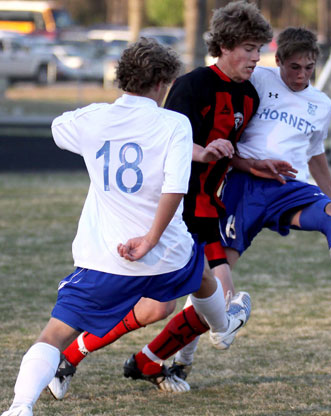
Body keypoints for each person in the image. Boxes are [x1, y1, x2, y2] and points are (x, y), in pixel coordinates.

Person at [46, 0, 292, 398]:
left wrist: (254, 164)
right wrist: (202, 151)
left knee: (167, 307)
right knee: (209, 304)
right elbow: (166, 144)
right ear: (225, 45)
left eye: (258, 48)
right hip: (175, 209)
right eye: (248, 47)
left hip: (208, 208)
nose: (255, 56)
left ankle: (147, 362)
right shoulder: (192, 86)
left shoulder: (250, 96)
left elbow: (226, 151)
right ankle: (143, 360)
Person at [1, 38, 249, 416]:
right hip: (165, 252)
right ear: (163, 82)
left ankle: (21, 406)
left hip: (107, 258)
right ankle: (222, 324)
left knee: (53, 334)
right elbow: (174, 188)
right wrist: (150, 239)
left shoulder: (93, 118)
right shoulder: (174, 123)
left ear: (122, 77)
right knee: (200, 275)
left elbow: (58, 128)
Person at [217, 26, 331, 324]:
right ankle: (181, 355)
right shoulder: (257, 79)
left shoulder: (321, 104)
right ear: (279, 60)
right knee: (219, 267)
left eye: (309, 68)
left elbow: (315, 155)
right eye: (294, 67)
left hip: (289, 187)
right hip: (246, 185)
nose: (301, 75)